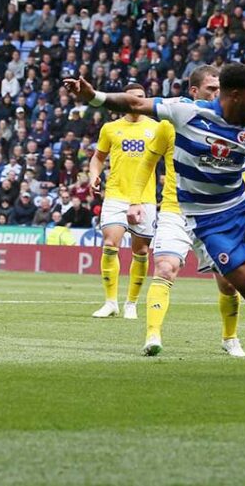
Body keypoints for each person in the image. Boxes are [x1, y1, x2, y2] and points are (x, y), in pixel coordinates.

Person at [64, 63, 245, 387]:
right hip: (207, 221)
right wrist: (94, 96)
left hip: (244, 206)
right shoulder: (186, 112)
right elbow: (134, 103)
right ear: (235, 95)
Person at [127, 66, 245, 357]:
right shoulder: (172, 123)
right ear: (194, 91)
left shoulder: (231, 123)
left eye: (219, 89)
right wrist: (136, 201)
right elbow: (147, 162)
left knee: (229, 282)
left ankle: (230, 338)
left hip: (217, 213)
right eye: (211, 89)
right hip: (175, 210)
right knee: (165, 268)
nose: (217, 94)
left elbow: (240, 168)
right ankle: (152, 335)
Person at [88, 83, 160, 320]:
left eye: (141, 97)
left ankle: (131, 303)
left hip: (146, 198)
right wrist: (94, 175)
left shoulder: (156, 128)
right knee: (110, 243)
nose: (137, 101)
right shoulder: (110, 128)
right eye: (132, 98)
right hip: (116, 195)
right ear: (123, 101)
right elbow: (98, 157)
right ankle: (110, 302)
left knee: (141, 251)